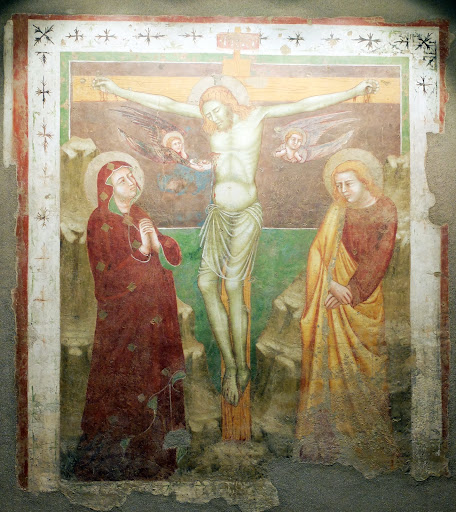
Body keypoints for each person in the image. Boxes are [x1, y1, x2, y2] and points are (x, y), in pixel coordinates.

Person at [93, 76, 379, 406]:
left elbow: (303, 104)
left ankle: (241, 368)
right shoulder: (211, 126)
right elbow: (165, 103)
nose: (212, 118)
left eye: (216, 111)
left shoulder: (255, 117)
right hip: (218, 214)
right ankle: (231, 364)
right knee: (205, 283)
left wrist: (354, 91)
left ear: (230, 104)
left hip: (245, 213)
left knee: (232, 286)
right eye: (207, 114)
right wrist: (116, 90)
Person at [74, 160, 186, 480]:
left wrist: (157, 244)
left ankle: (153, 457)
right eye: (122, 180)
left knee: (154, 375)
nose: (132, 181)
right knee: (123, 381)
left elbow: (166, 252)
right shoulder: (99, 222)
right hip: (122, 322)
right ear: (108, 190)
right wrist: (143, 251)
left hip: (153, 319)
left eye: (132, 176)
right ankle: (109, 460)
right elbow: (106, 277)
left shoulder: (139, 214)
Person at [295, 156, 399, 477]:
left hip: (364, 303)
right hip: (332, 295)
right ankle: (329, 444)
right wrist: (330, 284)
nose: (342, 191)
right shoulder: (337, 211)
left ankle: (368, 446)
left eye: (348, 184)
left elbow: (380, 257)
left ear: (365, 181)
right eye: (337, 185)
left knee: (368, 371)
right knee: (330, 367)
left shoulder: (385, 209)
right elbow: (318, 252)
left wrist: (351, 291)